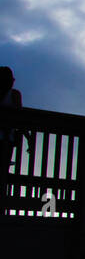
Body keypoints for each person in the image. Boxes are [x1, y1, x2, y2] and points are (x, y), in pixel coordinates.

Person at [0, 66, 35, 207]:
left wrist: (28, 138)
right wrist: (28, 138)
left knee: (3, 172)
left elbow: (21, 118)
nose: (12, 82)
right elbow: (21, 118)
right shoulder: (13, 95)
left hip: (8, 139)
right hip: (7, 139)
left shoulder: (14, 94)